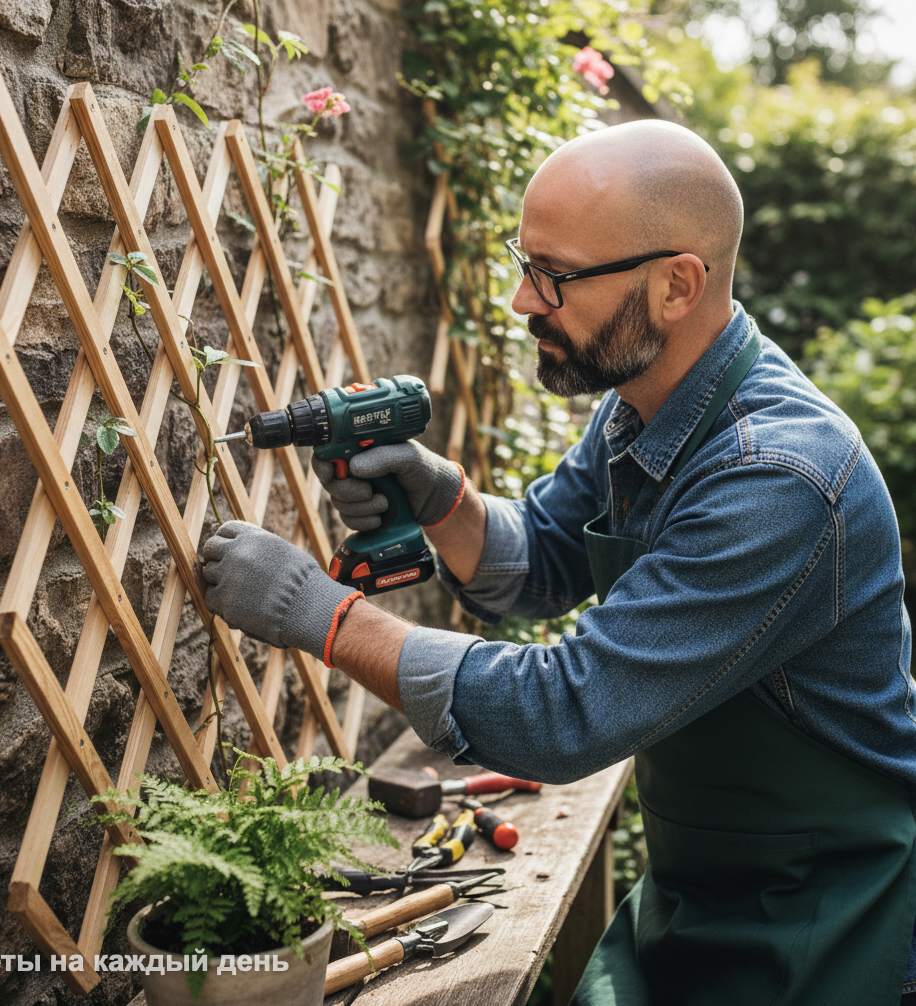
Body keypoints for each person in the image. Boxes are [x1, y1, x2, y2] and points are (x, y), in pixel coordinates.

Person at [202, 120, 916, 1005]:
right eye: (524, 261)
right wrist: (442, 498)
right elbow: (538, 559)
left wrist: (320, 614)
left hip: (832, 918)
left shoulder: (779, 480)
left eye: (555, 276)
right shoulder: (643, 404)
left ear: (676, 285)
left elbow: (564, 715)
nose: (520, 301)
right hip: (703, 889)